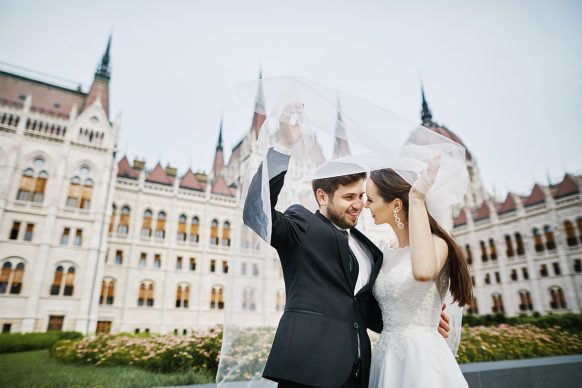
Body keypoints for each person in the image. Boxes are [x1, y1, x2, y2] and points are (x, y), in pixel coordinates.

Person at [242, 103, 450, 388]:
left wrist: (420, 318)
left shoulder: (372, 251)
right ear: (322, 197)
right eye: (349, 197)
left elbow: (365, 310)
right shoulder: (301, 225)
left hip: (359, 374)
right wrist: (284, 145)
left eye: (362, 196)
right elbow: (256, 213)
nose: (359, 205)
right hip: (307, 373)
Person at [365, 161, 473, 388]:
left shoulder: (438, 244)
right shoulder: (385, 251)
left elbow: (423, 271)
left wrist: (416, 198)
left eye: (371, 199)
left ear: (396, 205)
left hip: (422, 359)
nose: (366, 205)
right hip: (387, 357)